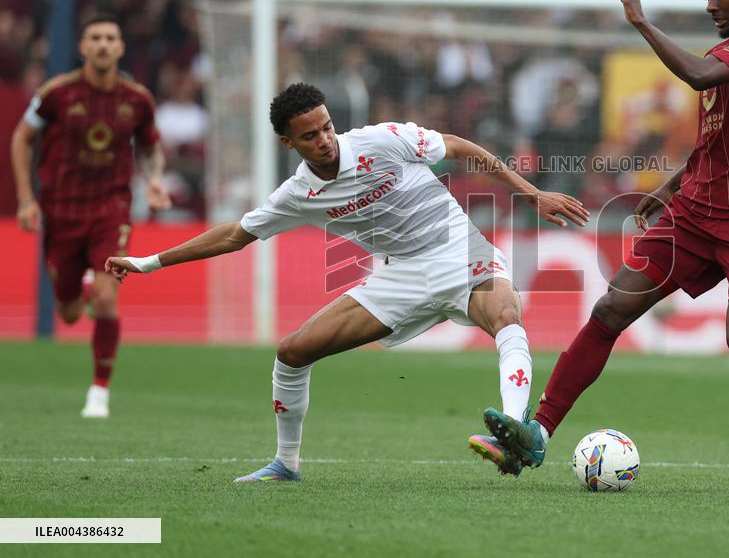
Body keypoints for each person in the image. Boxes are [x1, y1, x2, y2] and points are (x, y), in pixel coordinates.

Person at [105, 82, 589, 482]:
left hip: (457, 249)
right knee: (292, 351)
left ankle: (516, 432)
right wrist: (150, 262)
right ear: (288, 143)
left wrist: (531, 194)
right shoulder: (298, 194)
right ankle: (286, 463)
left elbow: (459, 147)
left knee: (505, 313)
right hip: (400, 277)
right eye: (310, 135)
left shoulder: (382, 139)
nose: (325, 140)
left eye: (327, 127)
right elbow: (235, 235)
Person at [482, 0, 729, 493]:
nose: (711, 5)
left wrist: (640, 21)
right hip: (696, 215)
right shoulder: (725, 55)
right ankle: (538, 432)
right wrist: (668, 189)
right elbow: (715, 141)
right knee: (610, 308)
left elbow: (695, 76)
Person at [10, 13, 171, 419]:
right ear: (82, 47)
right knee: (67, 313)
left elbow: (151, 146)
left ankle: (99, 392)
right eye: (95, 38)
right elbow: (21, 138)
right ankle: (82, 290)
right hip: (61, 211)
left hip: (110, 209)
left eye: (110, 38)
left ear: (120, 48)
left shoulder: (137, 99)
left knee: (106, 296)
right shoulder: (56, 94)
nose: (102, 45)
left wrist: (154, 178)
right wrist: (27, 199)